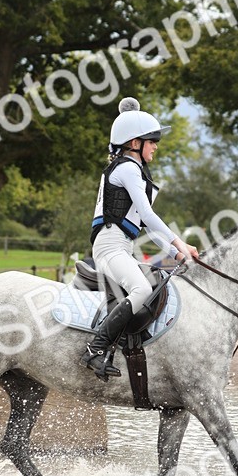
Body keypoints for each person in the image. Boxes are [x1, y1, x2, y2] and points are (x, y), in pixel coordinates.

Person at [82, 97, 199, 380]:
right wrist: (179, 244)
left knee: (155, 286)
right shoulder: (126, 168)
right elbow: (147, 215)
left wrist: (177, 254)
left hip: (122, 245)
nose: (156, 146)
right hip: (110, 246)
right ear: (134, 143)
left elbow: (147, 225)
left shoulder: (134, 172)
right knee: (142, 291)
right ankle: (96, 350)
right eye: (152, 140)